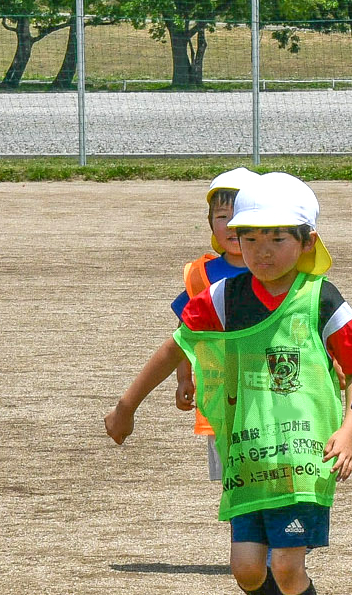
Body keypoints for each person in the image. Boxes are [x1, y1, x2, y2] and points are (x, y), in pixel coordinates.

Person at [106, 172, 352, 595]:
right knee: (249, 572)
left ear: (307, 242)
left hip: (305, 459)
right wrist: (127, 404)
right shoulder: (224, 297)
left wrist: (349, 429)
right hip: (248, 459)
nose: (262, 250)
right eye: (249, 238)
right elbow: (175, 347)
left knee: (287, 565)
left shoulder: (321, 297)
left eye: (277, 238)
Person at [105, 167, 257, 478]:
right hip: (221, 402)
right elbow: (183, 337)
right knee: (235, 488)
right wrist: (183, 378)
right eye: (221, 217)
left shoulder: (274, 271)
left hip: (268, 399)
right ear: (210, 224)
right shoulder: (202, 276)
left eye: (239, 216)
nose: (231, 226)